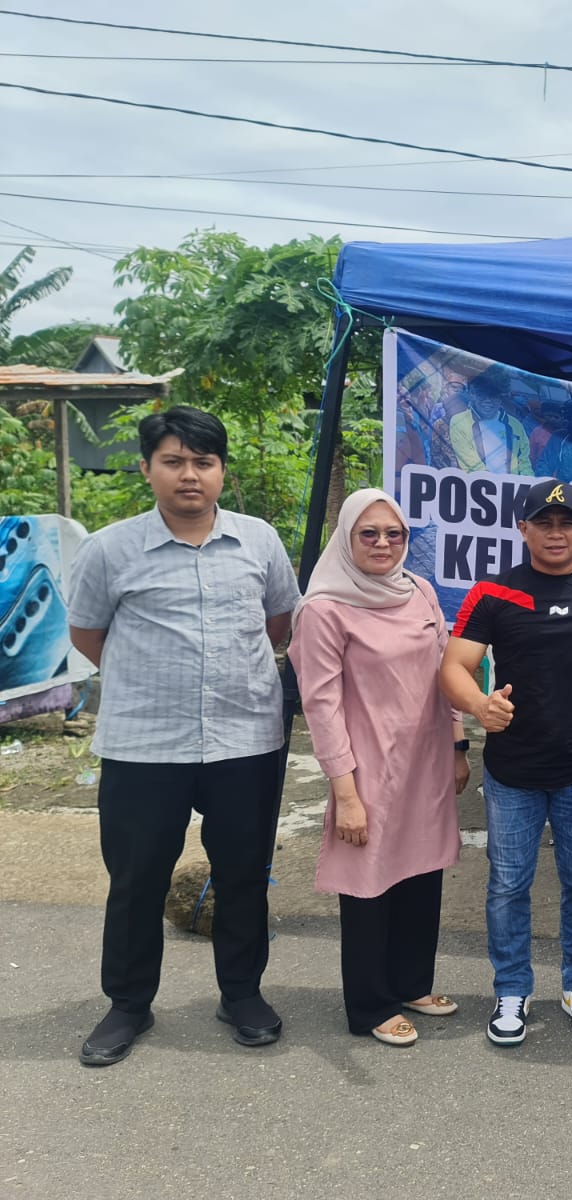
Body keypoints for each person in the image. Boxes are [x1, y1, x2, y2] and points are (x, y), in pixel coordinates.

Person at [66, 406, 300, 1066]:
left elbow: (278, 622)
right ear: (146, 469)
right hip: (145, 746)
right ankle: (129, 1005)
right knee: (138, 879)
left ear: (222, 470)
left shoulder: (259, 541)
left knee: (243, 874)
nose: (189, 475)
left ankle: (242, 993)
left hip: (244, 742)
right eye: (173, 462)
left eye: (203, 462)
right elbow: (88, 635)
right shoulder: (110, 549)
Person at [439, 479, 572, 1046]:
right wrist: (480, 706)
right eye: (543, 523)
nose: (555, 533)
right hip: (512, 772)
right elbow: (453, 667)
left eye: (567, 523)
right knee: (508, 885)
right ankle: (512, 988)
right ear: (523, 528)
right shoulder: (492, 593)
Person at [289, 489, 470, 1047]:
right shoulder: (323, 609)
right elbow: (321, 705)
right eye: (369, 533)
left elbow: (447, 669)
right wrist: (344, 793)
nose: (384, 544)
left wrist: (459, 742)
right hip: (365, 768)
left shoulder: (419, 592)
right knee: (369, 884)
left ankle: (413, 982)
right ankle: (369, 1004)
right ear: (346, 538)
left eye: (394, 534)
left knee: (422, 870)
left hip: (426, 760)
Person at [448, 374, 534, 475]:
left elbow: (524, 462)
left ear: (500, 398)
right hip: (478, 486)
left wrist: (530, 485)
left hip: (511, 487)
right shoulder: (459, 422)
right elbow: (471, 463)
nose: (488, 400)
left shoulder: (515, 425)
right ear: (472, 395)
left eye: (493, 395)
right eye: (482, 395)